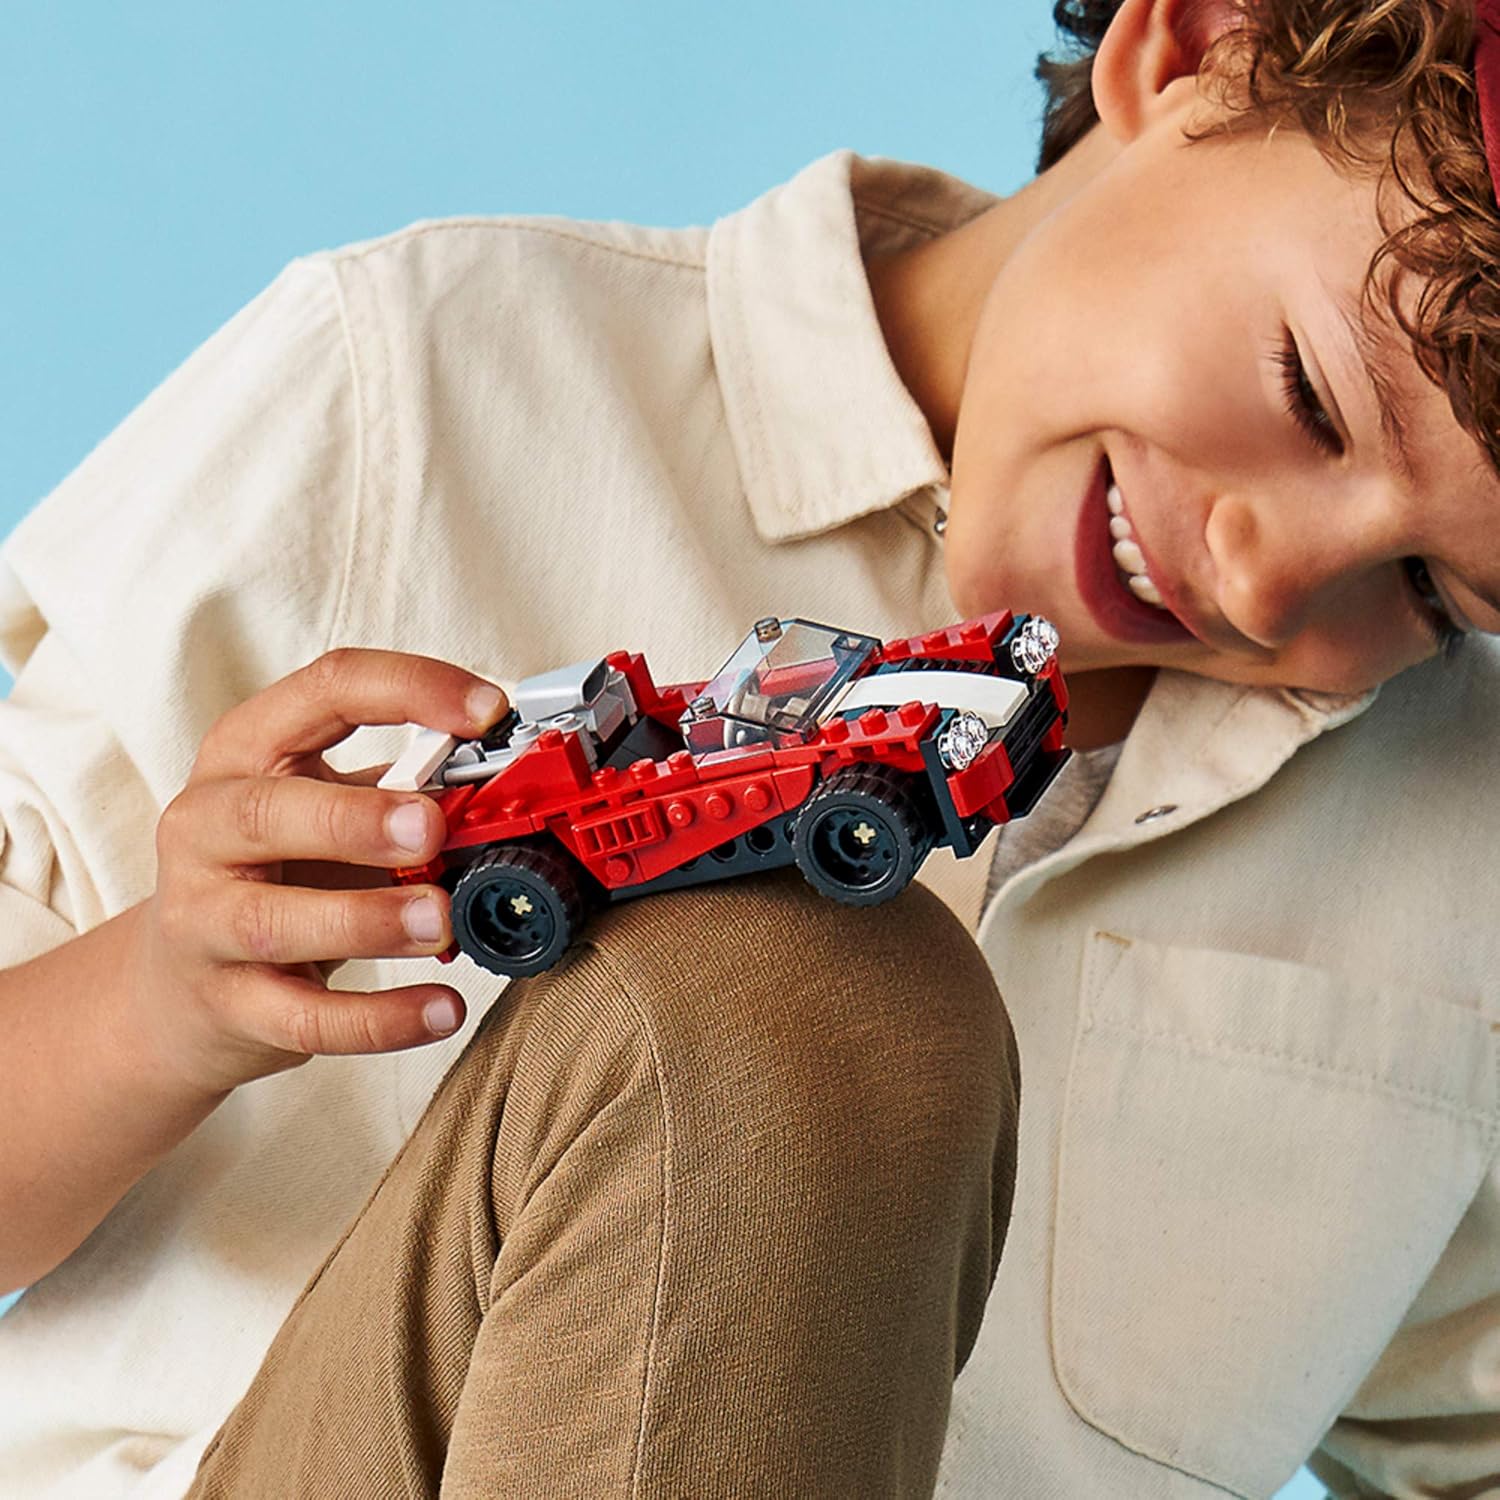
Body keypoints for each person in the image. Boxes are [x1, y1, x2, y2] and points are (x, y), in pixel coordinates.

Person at [1, 0, 1497, 1493]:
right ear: (1191, 53)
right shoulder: (433, 372)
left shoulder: (1454, 834)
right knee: (805, 996)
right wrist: (161, 1000)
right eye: (1311, 396)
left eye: (1433, 589)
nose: (1270, 580)